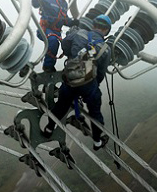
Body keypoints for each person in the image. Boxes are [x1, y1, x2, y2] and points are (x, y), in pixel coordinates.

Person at [43, 14, 112, 151]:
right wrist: (92, 86)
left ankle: (49, 128)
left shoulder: (78, 34)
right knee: (95, 112)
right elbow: (101, 72)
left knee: (61, 105)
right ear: (107, 30)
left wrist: (73, 56)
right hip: (88, 84)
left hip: (70, 79)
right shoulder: (105, 49)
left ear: (93, 25)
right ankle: (97, 141)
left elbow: (65, 44)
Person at [32, 0, 79, 72]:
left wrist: (74, 22)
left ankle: (72, 66)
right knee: (53, 42)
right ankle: (48, 67)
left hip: (56, 32)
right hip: (45, 29)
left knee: (68, 43)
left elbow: (65, 20)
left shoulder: (64, 5)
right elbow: (36, 4)